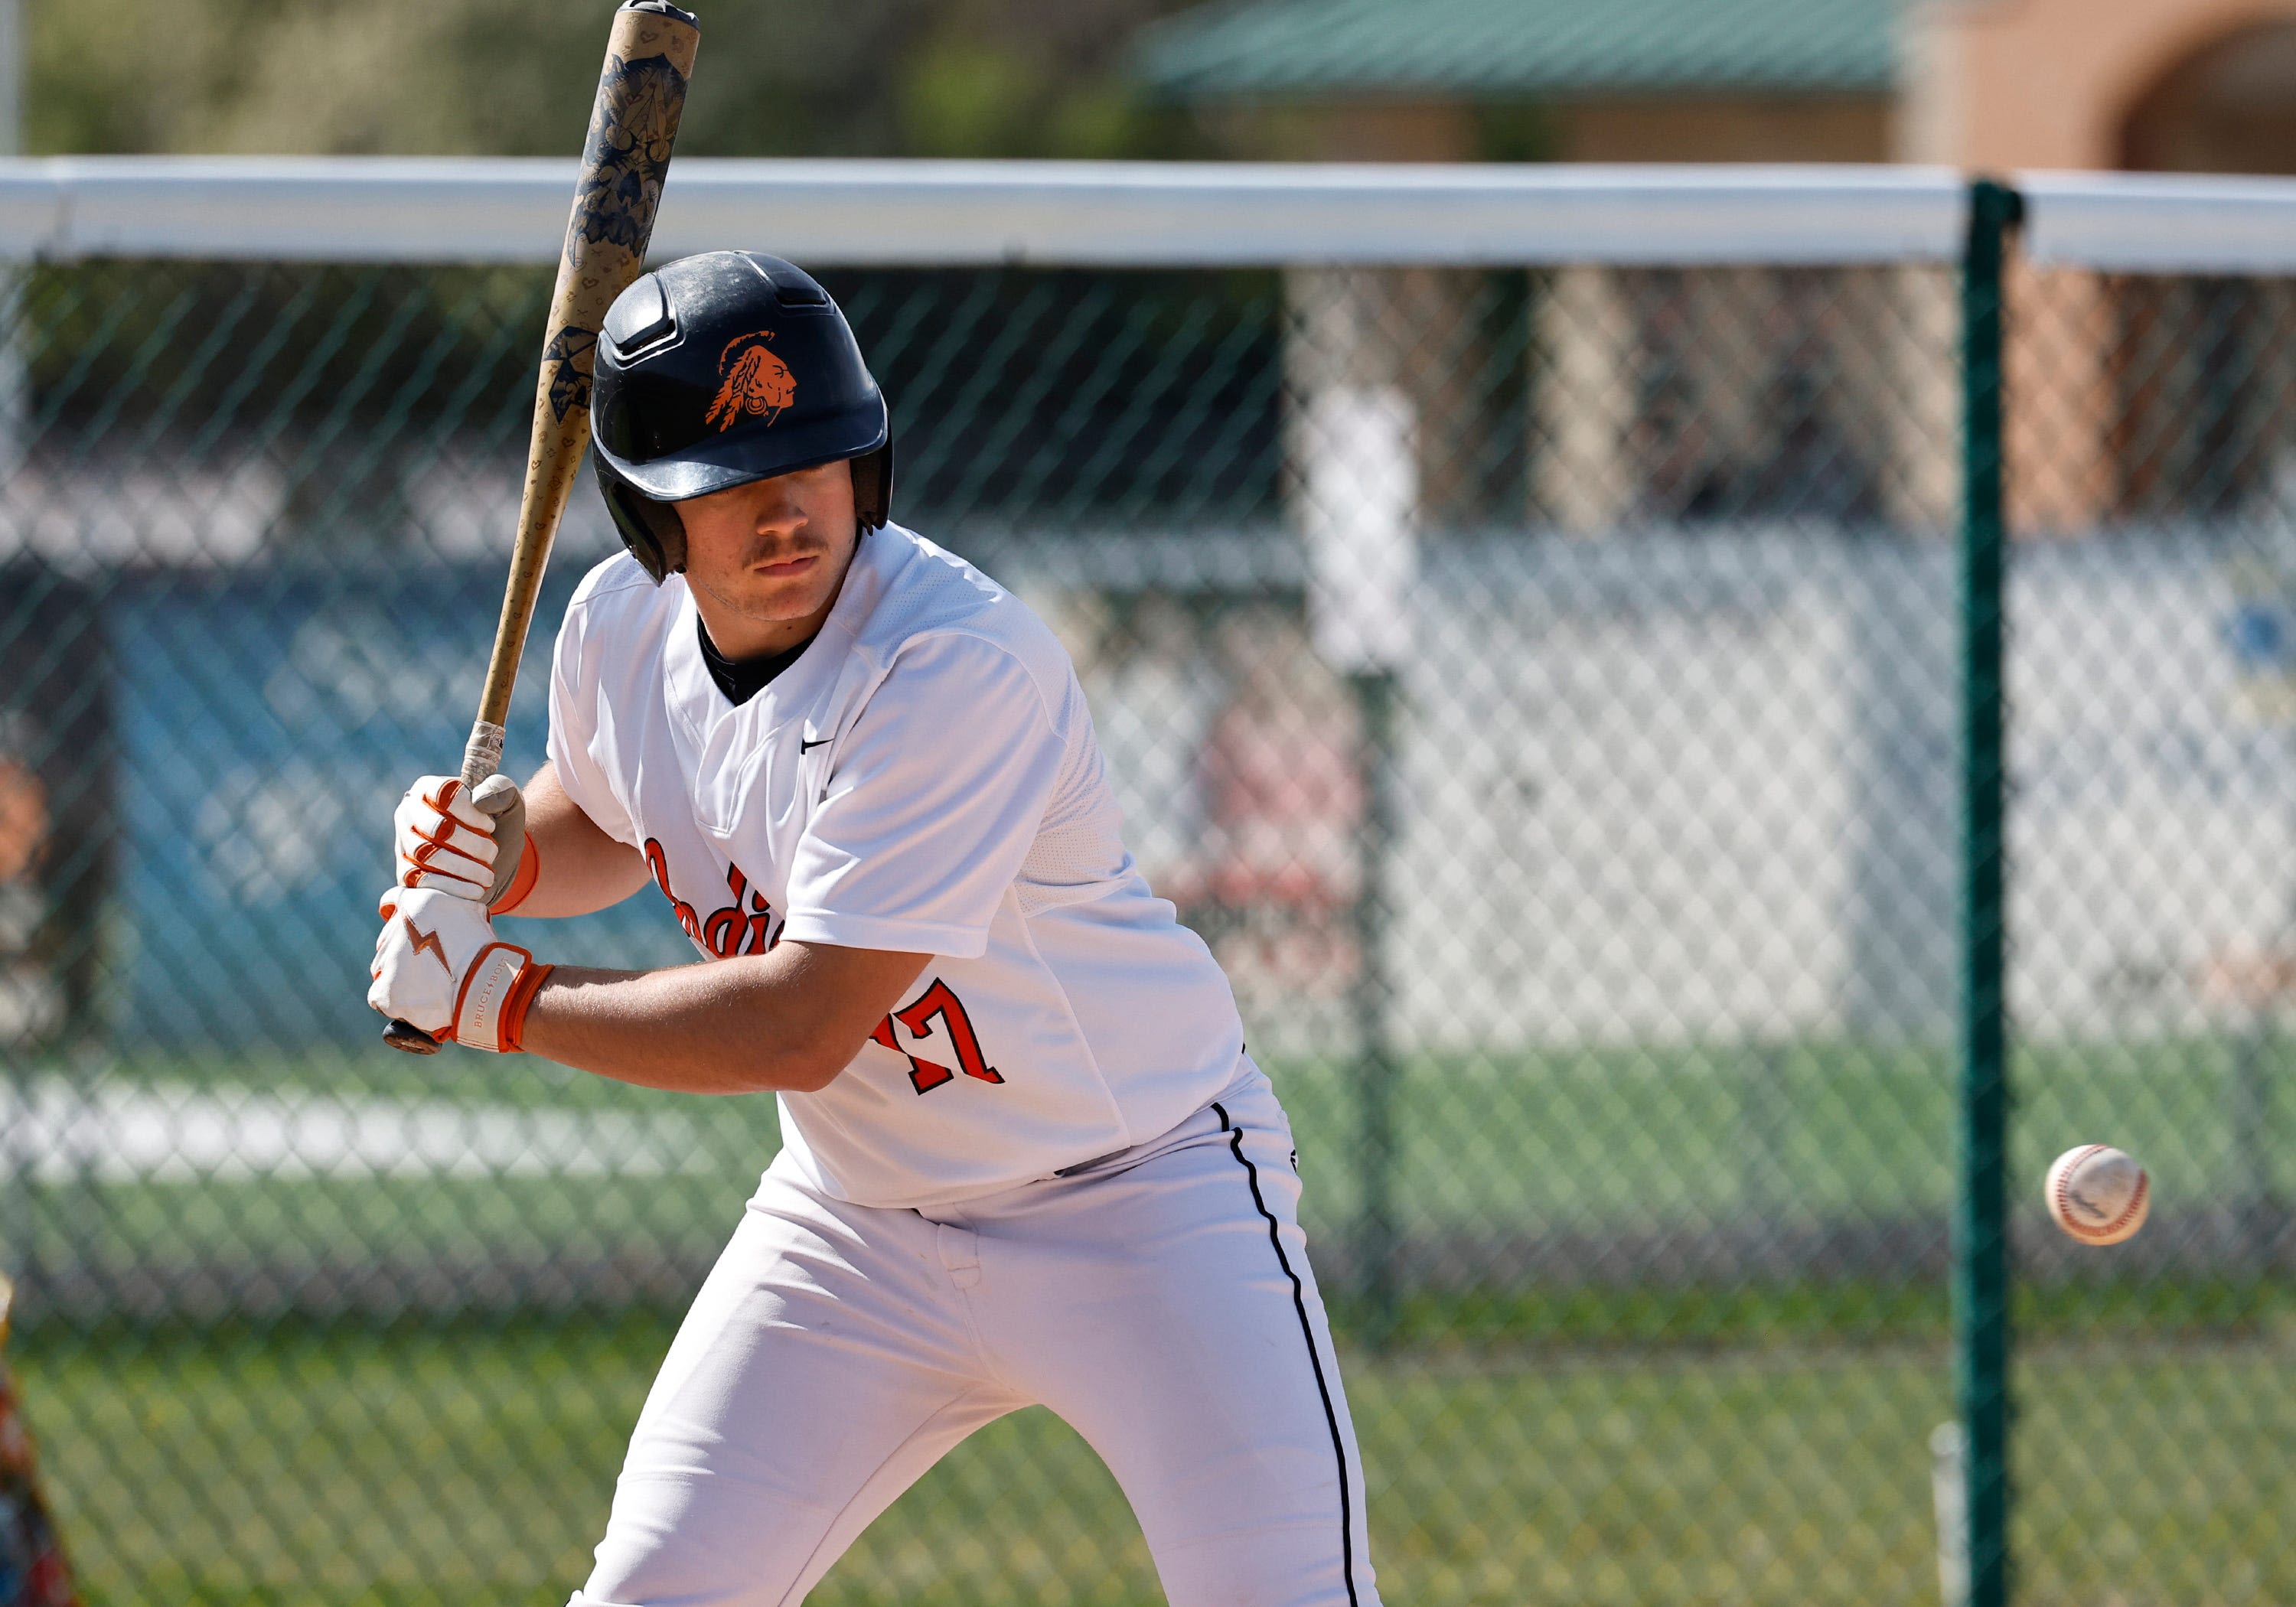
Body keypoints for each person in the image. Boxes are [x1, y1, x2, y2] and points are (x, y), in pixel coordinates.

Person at [367, 251, 1380, 1607]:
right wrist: (486, 861)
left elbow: (799, 1020)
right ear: (652, 522)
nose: (786, 512)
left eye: (817, 458)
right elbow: (609, 817)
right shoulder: (619, 628)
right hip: (858, 1229)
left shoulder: (950, 664)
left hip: (1140, 1202)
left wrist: (500, 1000)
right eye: (730, 484)